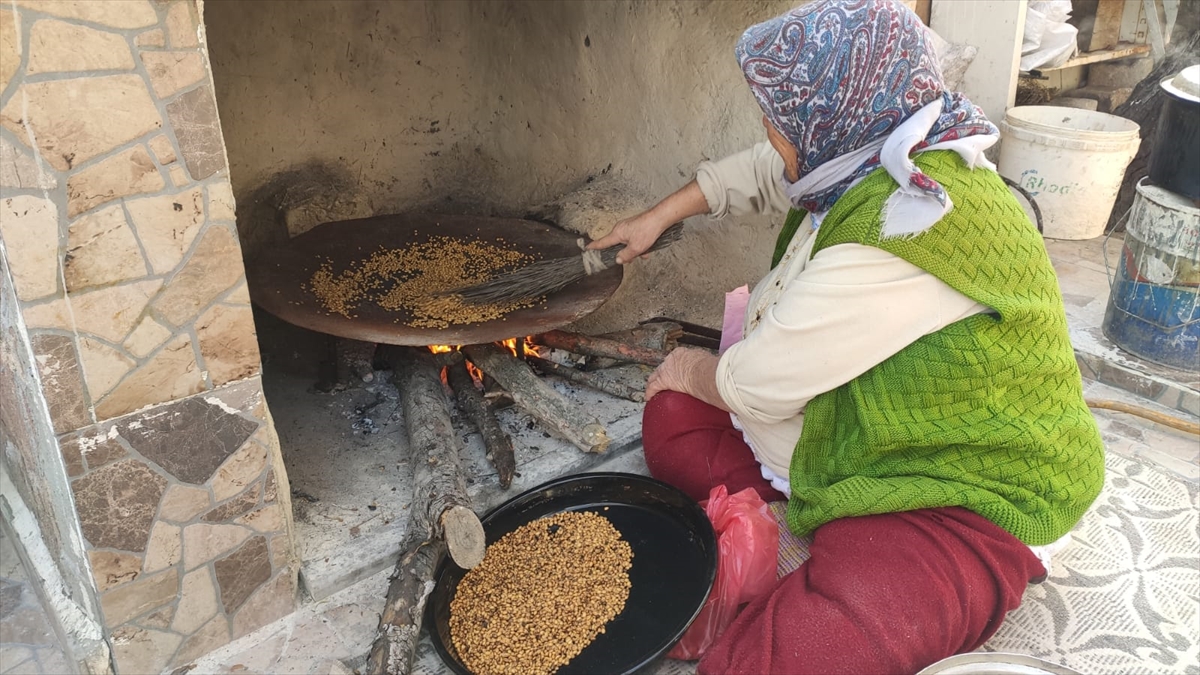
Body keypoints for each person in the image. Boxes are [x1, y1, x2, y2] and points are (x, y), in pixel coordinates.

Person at [587, 0, 1106, 673]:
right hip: (849, 437)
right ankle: (804, 526)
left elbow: (753, 384)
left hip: (950, 495)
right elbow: (761, 171)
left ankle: (839, 551)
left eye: (780, 122)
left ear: (831, 120)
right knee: (670, 419)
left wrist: (688, 365)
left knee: (780, 656)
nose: (772, 134)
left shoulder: (906, 224)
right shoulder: (880, 143)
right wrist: (656, 218)